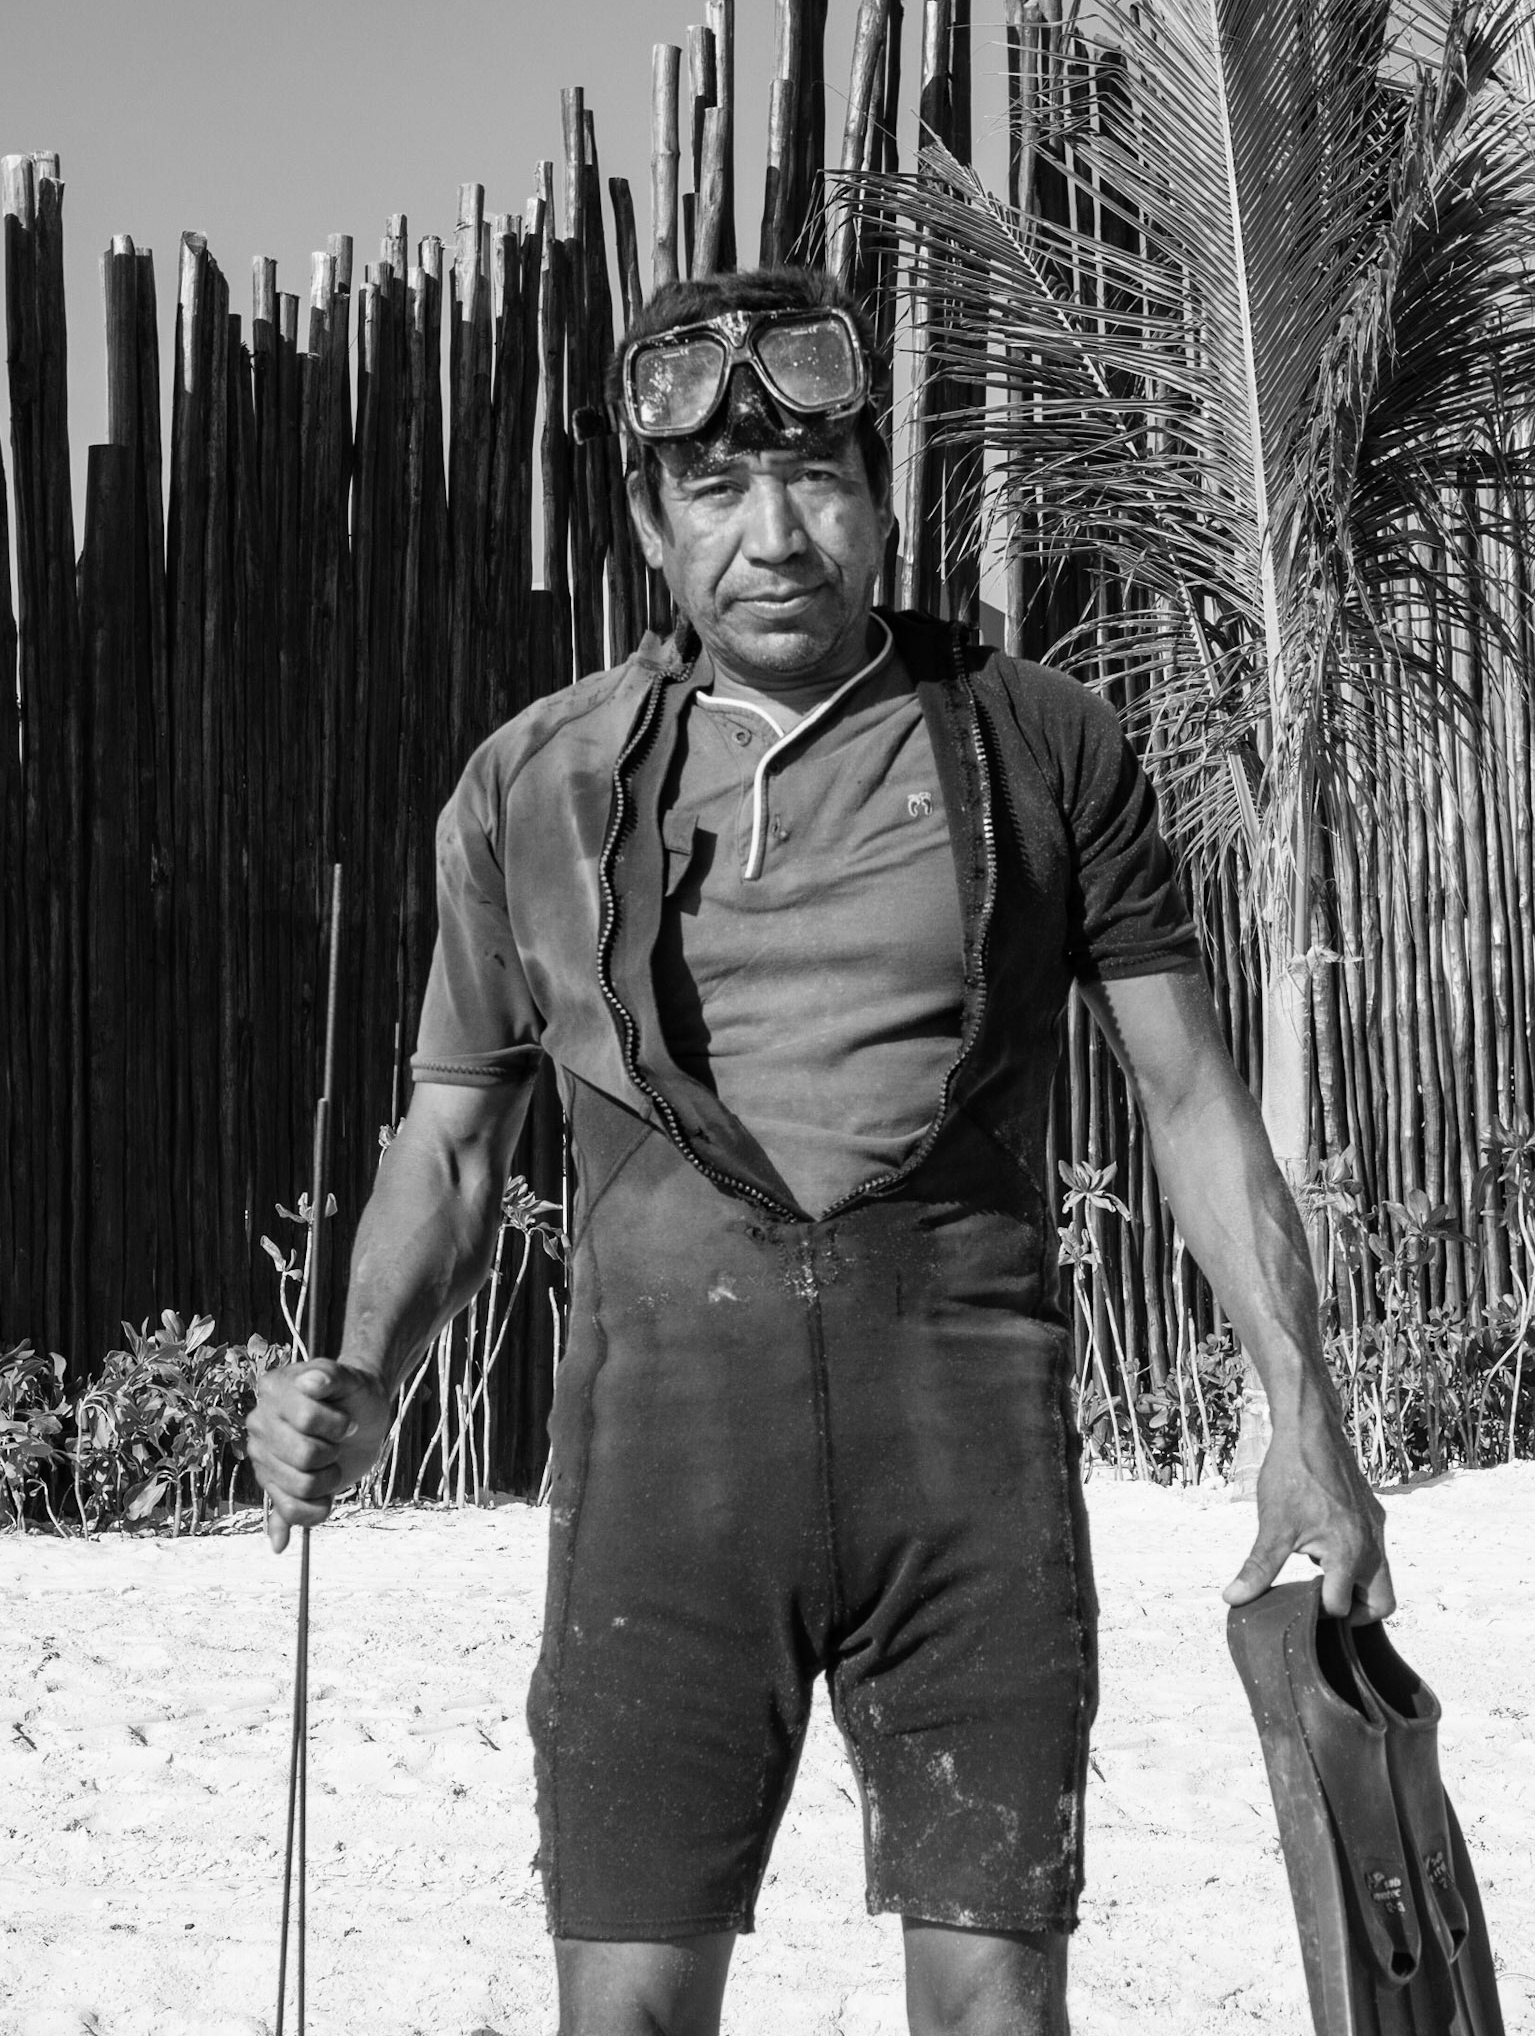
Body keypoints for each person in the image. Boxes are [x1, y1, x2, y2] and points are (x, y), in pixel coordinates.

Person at [246, 264, 1393, 2036]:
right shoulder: (536, 788)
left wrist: (1305, 1423)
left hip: (971, 1479)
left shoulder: (1041, 744)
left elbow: (1190, 1101)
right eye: (717, 489)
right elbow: (454, 1136)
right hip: (661, 1494)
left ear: (881, 490)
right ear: (647, 519)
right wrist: (359, 1379)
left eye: (817, 479)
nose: (775, 534)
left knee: (997, 2012)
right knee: (624, 2014)